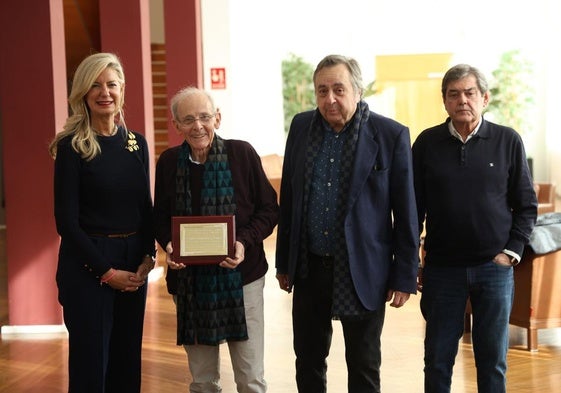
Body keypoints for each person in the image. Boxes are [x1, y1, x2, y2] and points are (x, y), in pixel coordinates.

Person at [275, 54, 419, 393]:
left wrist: (404, 274)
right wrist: (284, 262)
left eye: (339, 89)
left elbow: (406, 211)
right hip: (311, 267)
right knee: (308, 361)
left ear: (357, 90)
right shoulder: (300, 127)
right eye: (322, 91)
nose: (330, 99)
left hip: (364, 270)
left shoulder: (390, 134)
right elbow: (291, 200)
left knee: (364, 364)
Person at [412, 64, 538, 393]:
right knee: (437, 359)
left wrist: (511, 252)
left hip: (493, 269)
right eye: (453, 94)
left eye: (469, 93)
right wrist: (412, 258)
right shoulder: (426, 143)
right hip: (442, 270)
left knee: (492, 360)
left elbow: (526, 204)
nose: (462, 100)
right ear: (444, 101)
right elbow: (413, 208)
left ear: (484, 98)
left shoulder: (508, 140)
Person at [153, 86, 279, 393]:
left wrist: (243, 242)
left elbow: (269, 209)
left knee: (250, 378)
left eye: (205, 117)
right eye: (188, 119)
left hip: (242, 278)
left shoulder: (242, 154)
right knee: (202, 381)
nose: (198, 126)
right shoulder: (169, 163)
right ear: (177, 125)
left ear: (217, 119)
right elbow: (159, 217)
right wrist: (171, 246)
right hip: (191, 285)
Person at [48, 52, 156, 392]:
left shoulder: (136, 143)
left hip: (133, 261)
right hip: (88, 265)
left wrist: (147, 257)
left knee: (126, 364)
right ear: (82, 92)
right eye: (94, 85)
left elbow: (145, 206)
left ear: (122, 90)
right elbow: (66, 222)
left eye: (111, 84)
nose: (104, 92)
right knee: (92, 369)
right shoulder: (71, 147)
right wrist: (106, 273)